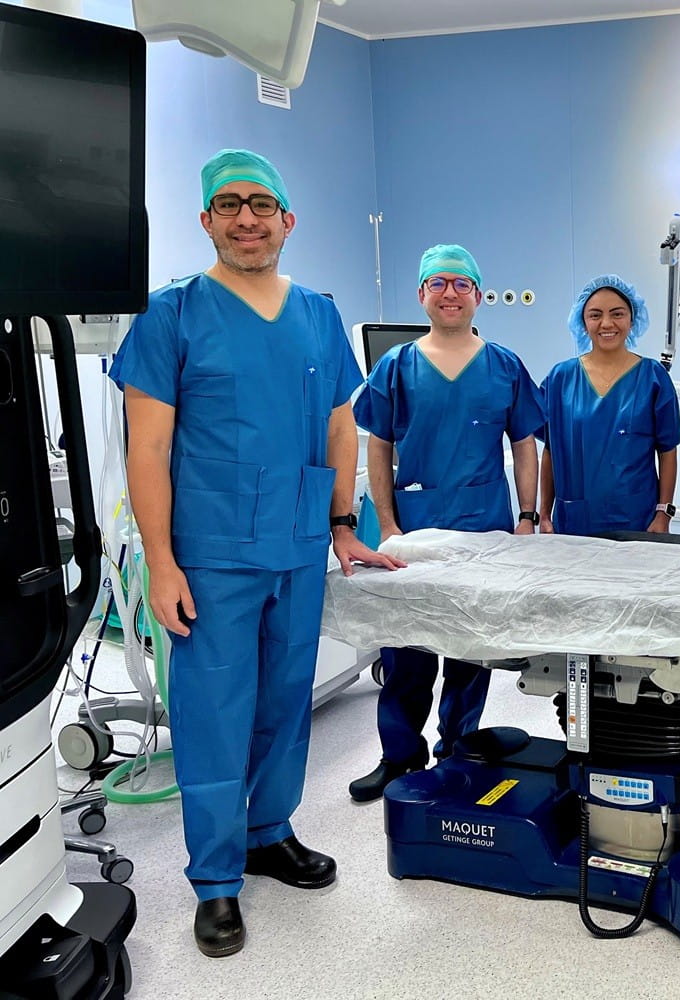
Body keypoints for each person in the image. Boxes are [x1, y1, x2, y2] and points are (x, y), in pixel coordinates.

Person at [112, 149, 401, 957]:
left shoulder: (317, 314)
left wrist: (343, 525)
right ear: (207, 220)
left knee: (284, 700)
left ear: (286, 220)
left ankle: (270, 832)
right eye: (231, 204)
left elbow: (339, 424)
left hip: (299, 544)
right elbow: (148, 448)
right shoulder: (171, 315)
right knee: (214, 712)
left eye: (261, 204)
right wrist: (160, 561)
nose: (247, 218)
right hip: (210, 554)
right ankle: (215, 879)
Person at [347, 244, 545, 804]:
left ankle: (458, 750)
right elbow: (378, 446)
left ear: (478, 295)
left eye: (461, 283)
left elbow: (524, 444)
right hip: (413, 528)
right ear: (421, 294)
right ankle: (399, 755)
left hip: (486, 524)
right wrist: (388, 523)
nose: (450, 293)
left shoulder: (504, 365)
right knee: (405, 650)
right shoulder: (397, 366)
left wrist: (527, 517)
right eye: (438, 283)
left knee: (468, 649)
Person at [537, 274, 680, 536]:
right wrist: (544, 514)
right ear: (583, 322)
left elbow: (668, 450)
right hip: (574, 521)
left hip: (637, 519)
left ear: (632, 319)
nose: (606, 323)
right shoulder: (561, 379)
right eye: (595, 315)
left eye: (617, 314)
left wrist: (663, 513)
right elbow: (550, 451)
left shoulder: (652, 377)